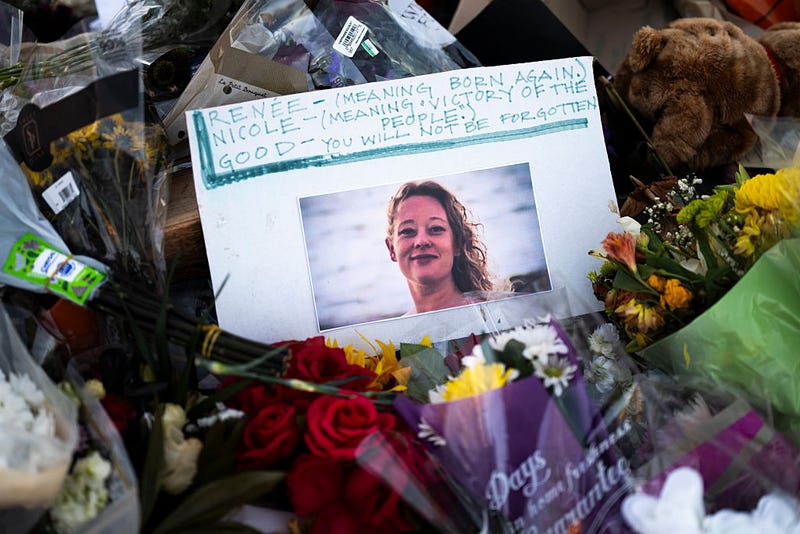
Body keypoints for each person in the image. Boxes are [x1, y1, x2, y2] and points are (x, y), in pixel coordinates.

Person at [385, 181, 493, 314]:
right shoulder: (398, 333)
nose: (421, 241)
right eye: (407, 231)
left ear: (457, 243)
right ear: (391, 249)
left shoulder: (493, 315)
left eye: (436, 229)